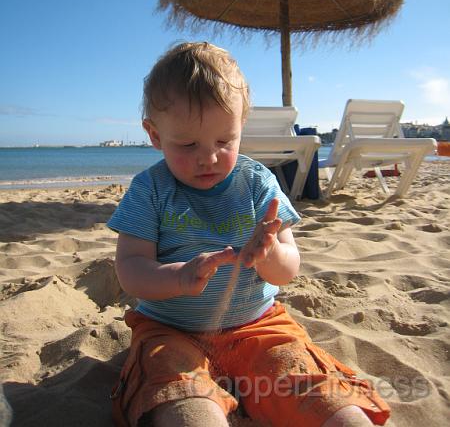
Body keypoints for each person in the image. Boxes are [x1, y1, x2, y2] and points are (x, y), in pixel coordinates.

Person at [108, 42, 390, 427]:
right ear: (155, 135)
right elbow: (130, 267)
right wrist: (177, 276)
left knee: (320, 396)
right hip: (171, 330)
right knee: (182, 401)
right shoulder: (150, 189)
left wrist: (272, 251)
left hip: (258, 326)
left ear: (242, 125)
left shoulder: (257, 183)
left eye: (225, 141)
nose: (208, 157)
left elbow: (287, 270)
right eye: (187, 144)